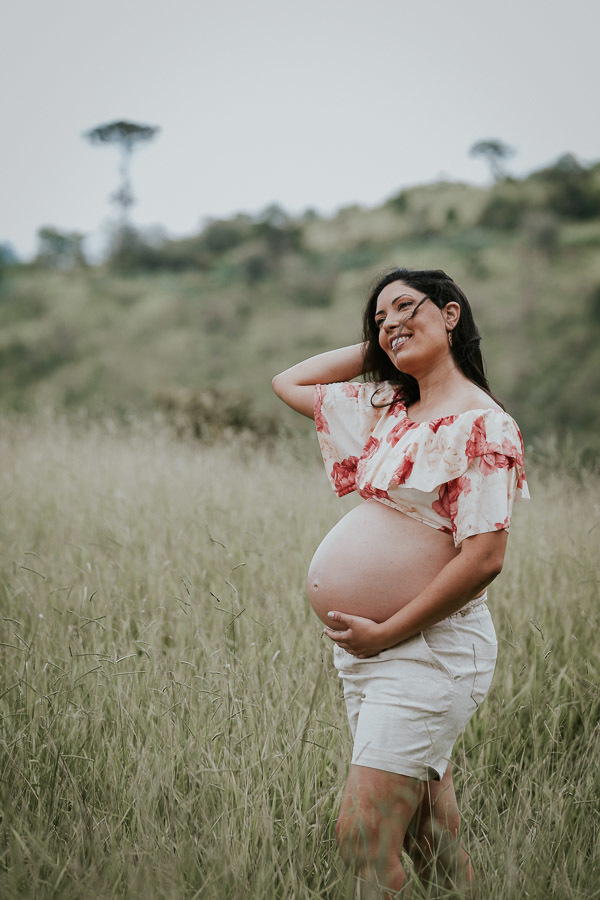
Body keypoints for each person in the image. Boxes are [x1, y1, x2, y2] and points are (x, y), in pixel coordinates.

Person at [272, 267, 529, 897]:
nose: (390, 324)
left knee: (363, 837)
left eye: (406, 308)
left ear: (452, 314)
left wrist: (386, 631)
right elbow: (290, 382)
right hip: (373, 651)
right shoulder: (391, 407)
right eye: (379, 318)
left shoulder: (482, 425)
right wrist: (390, 340)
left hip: (427, 651)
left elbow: (483, 558)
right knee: (428, 834)